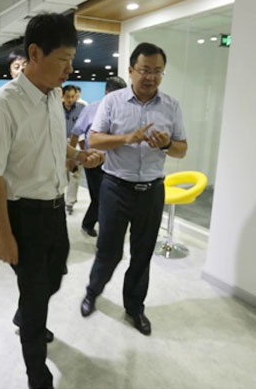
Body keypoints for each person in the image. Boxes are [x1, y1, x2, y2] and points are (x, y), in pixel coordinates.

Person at [0, 13, 104, 389]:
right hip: (24, 215)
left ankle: (26, 314)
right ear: (35, 53)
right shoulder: (3, 104)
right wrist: (4, 235)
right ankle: (38, 375)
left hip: (54, 212)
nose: (70, 69)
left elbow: (53, 145)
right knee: (36, 301)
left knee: (54, 278)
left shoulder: (52, 96)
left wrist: (77, 155)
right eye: (63, 60)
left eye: (71, 59)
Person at [80, 42, 187, 336]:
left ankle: (135, 307)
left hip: (151, 190)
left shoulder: (171, 106)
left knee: (143, 253)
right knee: (109, 251)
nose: (150, 77)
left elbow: (181, 149)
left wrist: (166, 144)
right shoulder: (112, 102)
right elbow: (95, 140)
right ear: (130, 70)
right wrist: (127, 138)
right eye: (144, 70)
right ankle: (93, 291)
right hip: (116, 186)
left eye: (157, 71)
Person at [69, 76, 127, 237]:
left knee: (110, 198)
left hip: (115, 161)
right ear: (107, 93)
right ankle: (101, 231)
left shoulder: (125, 111)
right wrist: (72, 159)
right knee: (100, 198)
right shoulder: (91, 109)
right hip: (94, 161)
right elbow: (75, 133)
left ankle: (91, 224)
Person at [62, 84, 86, 215]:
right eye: (67, 96)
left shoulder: (82, 108)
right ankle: (59, 198)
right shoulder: (56, 108)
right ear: (62, 96)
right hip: (59, 143)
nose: (70, 99)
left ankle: (70, 202)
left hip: (76, 143)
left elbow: (84, 129)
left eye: (72, 96)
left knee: (74, 174)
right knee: (60, 173)